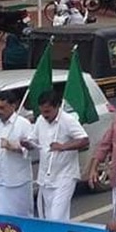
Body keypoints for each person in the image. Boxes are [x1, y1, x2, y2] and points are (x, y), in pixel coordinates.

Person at [25, 90, 90, 221]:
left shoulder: (68, 120)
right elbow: (33, 140)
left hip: (65, 176)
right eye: (42, 112)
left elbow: (84, 140)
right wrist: (26, 144)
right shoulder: (40, 120)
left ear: (57, 107)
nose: (45, 115)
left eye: (48, 112)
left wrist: (63, 147)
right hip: (46, 177)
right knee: (49, 217)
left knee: (57, 216)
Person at [0, 91, 34, 217]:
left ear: (13, 106)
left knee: (20, 217)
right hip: (0, 181)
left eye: (2, 108)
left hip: (18, 181)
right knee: (2, 219)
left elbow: (32, 148)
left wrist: (15, 147)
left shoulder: (23, 124)